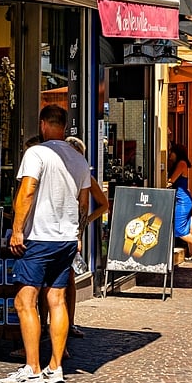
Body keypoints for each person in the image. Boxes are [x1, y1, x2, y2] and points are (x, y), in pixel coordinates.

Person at [0, 105, 90, 383]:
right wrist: (77, 233)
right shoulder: (78, 158)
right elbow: (84, 203)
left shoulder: (36, 153)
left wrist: (16, 230)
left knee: (24, 302)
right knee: (57, 301)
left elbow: (27, 191)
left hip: (39, 236)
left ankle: (33, 368)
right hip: (65, 239)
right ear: (64, 126)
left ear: (42, 124)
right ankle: (56, 366)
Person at [63, 136, 108, 340]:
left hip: (71, 232)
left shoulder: (84, 177)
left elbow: (103, 205)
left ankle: (69, 323)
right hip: (60, 231)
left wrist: (85, 222)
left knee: (68, 280)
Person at [167, 143, 192, 258]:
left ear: (177, 153)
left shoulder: (181, 163)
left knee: (179, 229)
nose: (169, 154)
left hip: (182, 201)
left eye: (171, 151)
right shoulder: (181, 163)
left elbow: (171, 181)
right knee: (190, 227)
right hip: (185, 199)